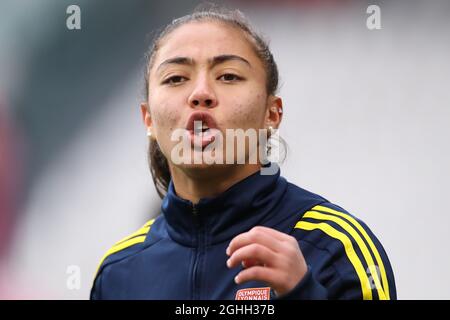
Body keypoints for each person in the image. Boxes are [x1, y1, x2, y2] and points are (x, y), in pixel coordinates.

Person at [90, 8, 396, 300]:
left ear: (272, 114)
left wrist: (302, 293)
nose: (200, 94)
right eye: (176, 78)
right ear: (149, 120)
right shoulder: (118, 273)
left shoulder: (334, 246)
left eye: (228, 76)